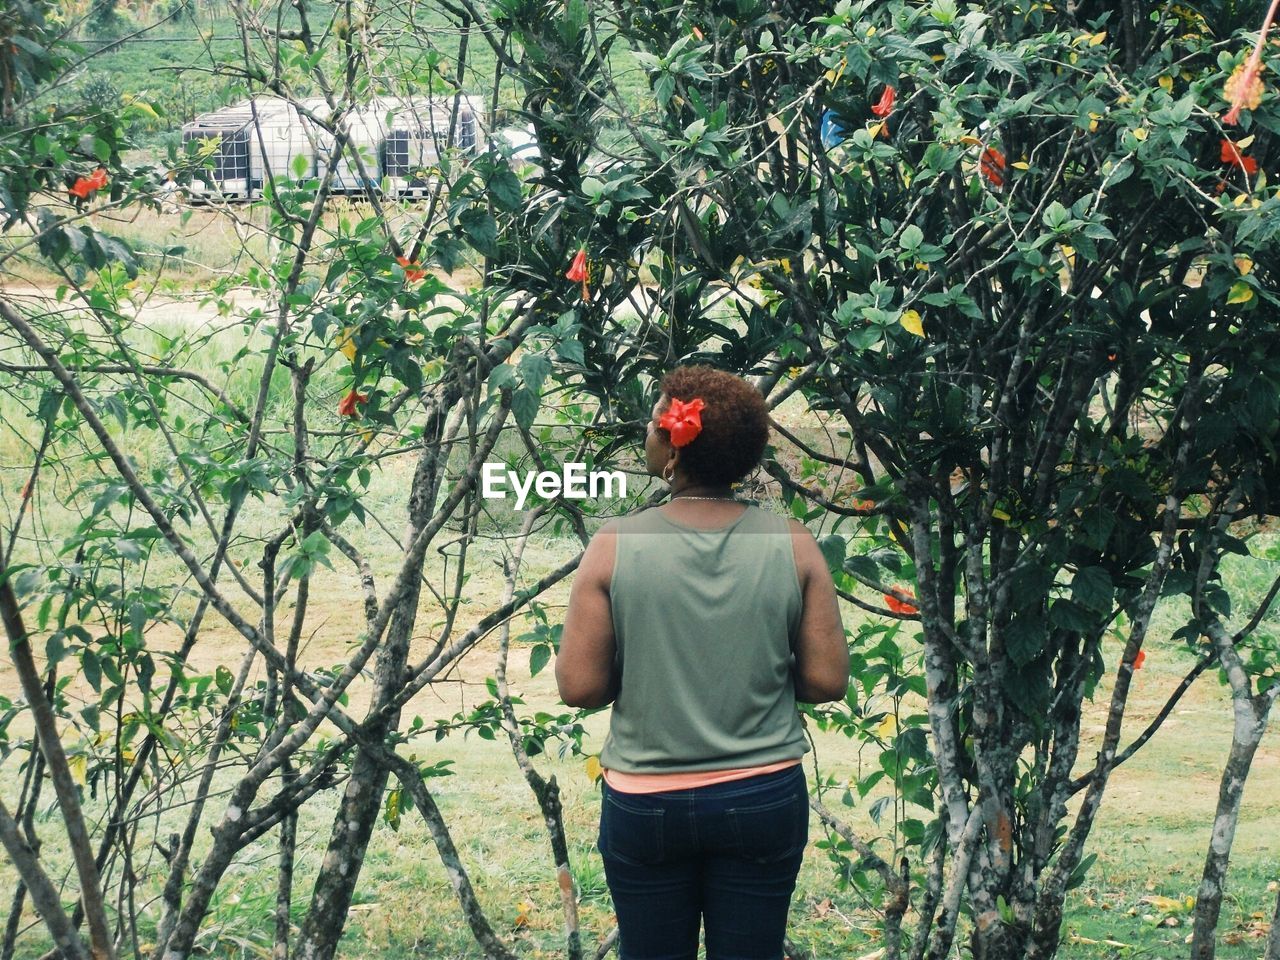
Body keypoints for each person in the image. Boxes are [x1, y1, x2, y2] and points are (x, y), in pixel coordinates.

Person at [556, 364, 849, 960]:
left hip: (647, 802)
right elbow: (826, 680)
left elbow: (579, 686)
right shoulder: (793, 542)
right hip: (763, 795)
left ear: (670, 445)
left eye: (651, 421)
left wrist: (641, 668)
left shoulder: (615, 544)